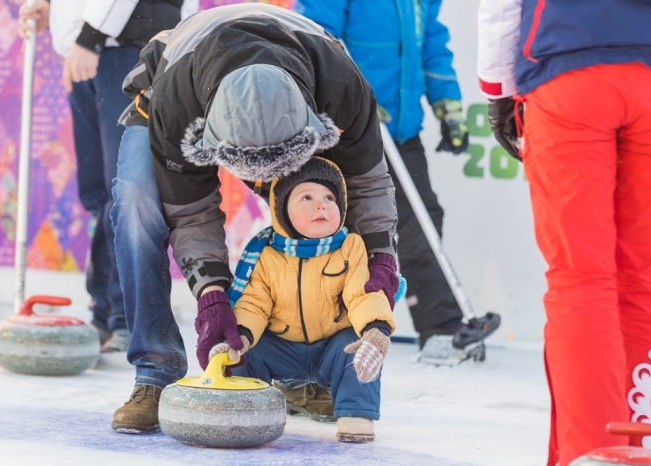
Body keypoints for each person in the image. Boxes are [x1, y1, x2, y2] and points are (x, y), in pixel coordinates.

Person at [110, 4, 399, 433]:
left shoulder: (342, 87)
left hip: (306, 75)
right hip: (177, 84)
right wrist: (211, 297)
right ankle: (155, 370)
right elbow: (192, 213)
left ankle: (304, 366)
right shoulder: (178, 104)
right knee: (136, 201)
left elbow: (367, 187)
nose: (257, 184)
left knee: (314, 208)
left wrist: (380, 258)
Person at [477, 1, 651, 464]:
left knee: (580, 278)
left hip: (571, 68)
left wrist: (498, 90)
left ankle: (595, 450)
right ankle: (649, 446)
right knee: (647, 276)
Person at [294, 0, 472, 348]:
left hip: (400, 134)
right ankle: (323, 330)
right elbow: (311, 38)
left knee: (420, 218)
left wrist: (447, 105)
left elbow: (433, 45)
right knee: (345, 229)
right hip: (350, 132)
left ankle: (439, 325)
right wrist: (355, 96)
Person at [17, 0, 192, 352]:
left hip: (126, 49)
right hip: (94, 52)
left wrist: (89, 37)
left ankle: (126, 318)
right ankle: (105, 313)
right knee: (99, 192)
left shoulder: (99, 42)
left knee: (126, 190)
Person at [211, 157, 397, 442]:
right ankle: (247, 409)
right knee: (246, 350)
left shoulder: (350, 246)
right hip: (283, 348)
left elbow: (361, 294)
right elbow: (254, 304)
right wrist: (243, 336)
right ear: (283, 210)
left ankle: (356, 414)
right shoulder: (266, 252)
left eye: (329, 197)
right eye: (307, 197)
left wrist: (376, 330)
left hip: (332, 347)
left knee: (358, 347)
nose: (320, 205)